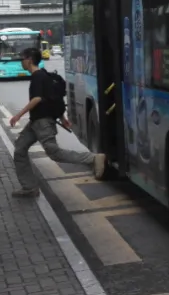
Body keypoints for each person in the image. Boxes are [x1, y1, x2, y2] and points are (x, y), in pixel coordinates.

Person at [9, 47, 106, 197]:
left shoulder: (37, 77)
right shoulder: (45, 75)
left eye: (22, 59)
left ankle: (93, 158)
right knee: (20, 149)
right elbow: (54, 99)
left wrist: (18, 115)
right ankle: (29, 187)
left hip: (42, 122)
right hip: (36, 122)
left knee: (54, 153)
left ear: (29, 60)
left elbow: (38, 98)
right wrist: (63, 118)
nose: (21, 62)